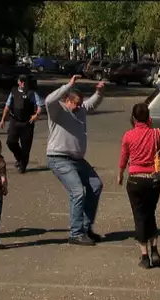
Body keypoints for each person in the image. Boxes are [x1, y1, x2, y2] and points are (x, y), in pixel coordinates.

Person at [45, 75, 105, 246]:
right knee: (78, 192)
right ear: (67, 100)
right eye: (76, 103)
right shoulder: (57, 110)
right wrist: (68, 84)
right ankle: (75, 233)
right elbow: (49, 100)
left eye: (80, 103)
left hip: (77, 159)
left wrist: (99, 92)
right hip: (59, 158)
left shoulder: (81, 109)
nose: (79, 107)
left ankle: (86, 228)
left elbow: (92, 103)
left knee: (95, 185)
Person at [117, 103, 160, 269]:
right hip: (153, 180)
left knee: (139, 216)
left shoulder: (128, 135)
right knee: (150, 214)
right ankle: (155, 250)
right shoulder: (157, 133)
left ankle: (145, 256)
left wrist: (120, 173)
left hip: (135, 180)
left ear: (133, 118)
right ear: (149, 117)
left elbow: (124, 157)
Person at [0, 75, 44, 173]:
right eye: (22, 81)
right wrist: (3, 119)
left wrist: (36, 115)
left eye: (25, 82)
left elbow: (40, 105)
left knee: (26, 146)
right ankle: (19, 157)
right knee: (10, 142)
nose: (23, 83)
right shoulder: (14, 91)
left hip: (27, 122)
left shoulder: (32, 93)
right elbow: (7, 106)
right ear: (18, 82)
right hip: (14, 121)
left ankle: (23, 165)